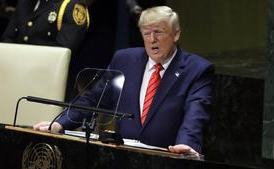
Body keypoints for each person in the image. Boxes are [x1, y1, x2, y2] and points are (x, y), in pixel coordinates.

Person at [34, 6, 214, 156]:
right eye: (147, 33)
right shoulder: (124, 60)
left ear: (176, 35)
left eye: (159, 32)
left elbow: (195, 115)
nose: (152, 40)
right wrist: (60, 123)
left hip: (166, 157)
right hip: (122, 156)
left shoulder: (196, 70)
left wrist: (186, 145)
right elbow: (94, 100)